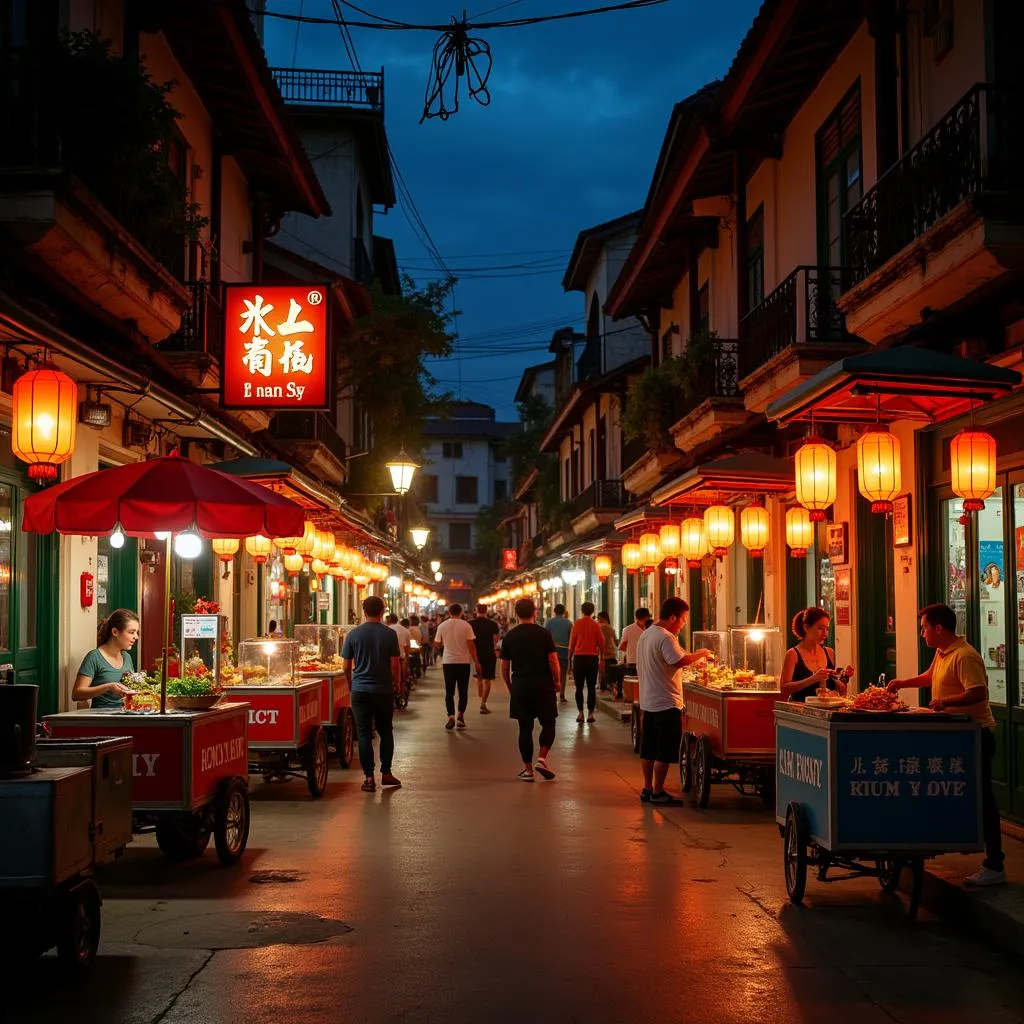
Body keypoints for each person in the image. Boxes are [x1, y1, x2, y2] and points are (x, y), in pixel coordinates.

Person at [887, 603, 1005, 887]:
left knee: (982, 798)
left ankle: (995, 864)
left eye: (924, 628)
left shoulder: (965, 656)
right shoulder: (943, 652)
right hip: (953, 736)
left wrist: (944, 702)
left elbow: (977, 693)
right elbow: (930, 677)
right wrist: (902, 682)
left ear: (939, 628)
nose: (922, 633)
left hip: (975, 735)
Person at [636, 597, 713, 805]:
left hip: (648, 701)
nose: (684, 623)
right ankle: (658, 791)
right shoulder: (666, 637)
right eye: (684, 619)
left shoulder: (647, 634)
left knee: (648, 748)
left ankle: (647, 787)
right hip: (666, 701)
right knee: (663, 749)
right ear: (673, 617)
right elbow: (678, 660)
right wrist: (701, 654)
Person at [342, 596, 403, 792]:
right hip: (383, 690)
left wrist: (351, 683)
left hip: (360, 690)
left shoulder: (353, 634)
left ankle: (368, 777)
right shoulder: (389, 634)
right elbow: (395, 664)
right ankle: (386, 773)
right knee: (386, 731)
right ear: (382, 610)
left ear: (363, 610)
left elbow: (345, 665)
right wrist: (398, 684)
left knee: (364, 734)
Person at [500, 597, 560, 781]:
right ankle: (541, 759)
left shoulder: (510, 636)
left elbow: (504, 667)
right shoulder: (544, 634)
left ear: (516, 613)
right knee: (549, 722)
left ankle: (528, 770)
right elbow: (553, 660)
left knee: (525, 728)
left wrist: (511, 686)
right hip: (543, 684)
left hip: (521, 684)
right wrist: (557, 681)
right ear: (535, 611)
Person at [72, 609, 141, 709]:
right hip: (102, 718)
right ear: (115, 632)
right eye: (131, 632)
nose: (136, 637)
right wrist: (108, 687)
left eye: (137, 632)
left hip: (126, 714)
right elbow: (76, 694)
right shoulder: (94, 657)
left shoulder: (127, 657)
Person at [780, 608, 850, 702]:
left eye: (827, 629)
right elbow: (784, 689)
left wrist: (843, 680)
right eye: (820, 628)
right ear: (806, 627)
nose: (825, 634)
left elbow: (840, 692)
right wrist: (812, 679)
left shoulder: (830, 653)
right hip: (800, 711)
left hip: (826, 711)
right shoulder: (793, 654)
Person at [434, 603, 480, 730]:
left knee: (449, 691)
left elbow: (437, 644)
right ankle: (461, 716)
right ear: (461, 612)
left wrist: (445, 644)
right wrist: (476, 661)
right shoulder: (466, 625)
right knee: (463, 691)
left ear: (449, 612)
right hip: (463, 662)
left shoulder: (442, 626)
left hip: (448, 662)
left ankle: (450, 717)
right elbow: (471, 645)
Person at [568, 601, 604, 724]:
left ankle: (580, 713)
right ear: (592, 611)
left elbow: (572, 644)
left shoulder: (577, 624)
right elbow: (602, 643)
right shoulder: (596, 625)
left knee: (578, 688)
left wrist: (569, 660)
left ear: (582, 611)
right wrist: (602, 659)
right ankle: (591, 714)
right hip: (592, 659)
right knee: (591, 687)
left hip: (578, 658)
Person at [610, 608, 651, 700]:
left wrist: (631, 648)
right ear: (647, 617)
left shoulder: (627, 629)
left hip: (632, 661)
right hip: (646, 663)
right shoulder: (651, 630)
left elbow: (622, 647)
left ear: (635, 617)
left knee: (635, 685)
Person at [470, 605, 500, 714]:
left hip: (477, 654)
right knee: (487, 679)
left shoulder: (471, 624)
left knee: (479, 677)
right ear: (486, 611)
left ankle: (480, 698)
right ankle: (483, 702)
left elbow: (470, 640)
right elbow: (496, 640)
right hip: (489, 653)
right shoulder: (493, 624)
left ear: (476, 611)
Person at [545, 604, 572, 703]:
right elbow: (571, 638)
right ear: (564, 611)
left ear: (554, 611)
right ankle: (562, 694)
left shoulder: (549, 622)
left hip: (551, 651)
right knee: (563, 673)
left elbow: (545, 636)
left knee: (552, 672)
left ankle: (553, 693)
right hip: (564, 651)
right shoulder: (568, 623)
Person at [386, 613, 412, 701]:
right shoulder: (405, 630)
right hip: (401, 658)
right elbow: (407, 647)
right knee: (402, 679)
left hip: (388, 659)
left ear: (389, 620)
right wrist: (407, 660)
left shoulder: (386, 629)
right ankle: (401, 694)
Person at [597, 611, 618, 691]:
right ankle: (610, 685)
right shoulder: (611, 628)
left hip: (601, 653)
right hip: (611, 652)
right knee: (610, 672)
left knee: (602, 671)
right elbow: (615, 642)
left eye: (598, 618)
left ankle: (602, 685)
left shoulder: (598, 627)